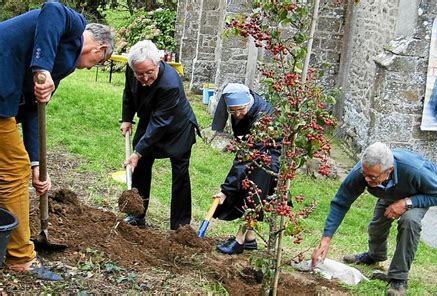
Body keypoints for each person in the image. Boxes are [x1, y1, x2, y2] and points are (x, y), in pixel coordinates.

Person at [0, 2, 114, 281]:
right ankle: (20, 258)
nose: (90, 68)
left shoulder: (61, 67)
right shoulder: (73, 29)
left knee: (19, 165)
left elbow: (32, 111)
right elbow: (51, 8)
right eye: (96, 63)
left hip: (6, 96)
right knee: (14, 169)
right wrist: (42, 66)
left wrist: (38, 163)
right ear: (98, 49)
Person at [310, 142, 437, 296]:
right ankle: (374, 256)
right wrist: (326, 239)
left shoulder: (415, 170)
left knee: (409, 222)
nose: (367, 180)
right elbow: (341, 202)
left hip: (417, 194)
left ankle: (398, 279)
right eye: (365, 175)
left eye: (372, 177)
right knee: (377, 225)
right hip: (390, 191)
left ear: (389, 170)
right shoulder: (363, 171)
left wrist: (406, 203)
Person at [121, 40, 200, 230]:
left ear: (158, 64)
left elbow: (161, 123)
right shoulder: (132, 71)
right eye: (140, 74)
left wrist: (138, 151)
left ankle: (180, 226)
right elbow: (129, 94)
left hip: (177, 128)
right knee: (140, 167)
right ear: (133, 69)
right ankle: (137, 215)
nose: (145, 78)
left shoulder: (170, 83)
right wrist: (127, 118)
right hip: (151, 120)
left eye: (150, 72)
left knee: (180, 175)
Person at [211, 83, 279, 255]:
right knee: (247, 188)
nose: (237, 114)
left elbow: (246, 156)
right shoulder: (241, 110)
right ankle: (249, 239)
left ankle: (240, 240)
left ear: (248, 103)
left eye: (240, 110)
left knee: (253, 196)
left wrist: (226, 190)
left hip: (271, 155)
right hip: (255, 151)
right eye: (232, 111)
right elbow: (244, 150)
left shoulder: (262, 118)